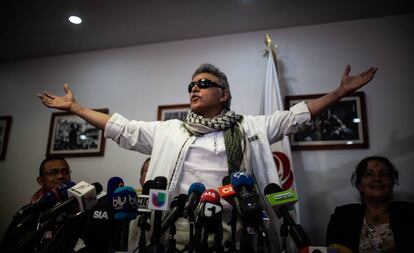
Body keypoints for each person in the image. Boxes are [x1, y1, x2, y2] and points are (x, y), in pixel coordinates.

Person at [38, 63, 377, 250]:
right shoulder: (169, 131)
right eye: (190, 86)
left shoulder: (251, 127)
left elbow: (295, 117)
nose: (194, 89)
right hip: (175, 229)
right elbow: (121, 128)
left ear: (224, 93)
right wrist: (78, 108)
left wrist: (339, 93)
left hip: (240, 230)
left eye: (203, 82)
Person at [326, 156, 414, 252]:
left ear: (392, 183)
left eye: (384, 174)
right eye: (368, 174)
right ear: (359, 186)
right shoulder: (341, 216)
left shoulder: (410, 213)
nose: (377, 178)